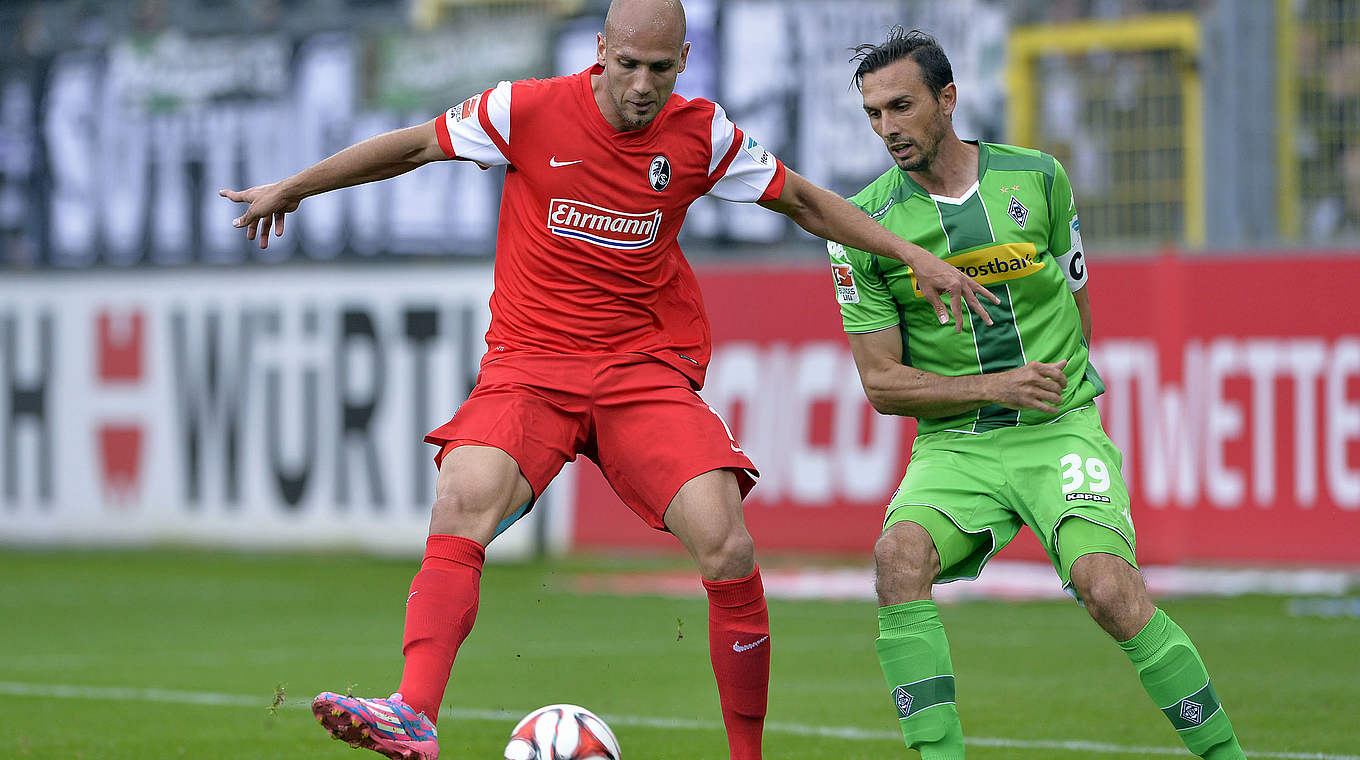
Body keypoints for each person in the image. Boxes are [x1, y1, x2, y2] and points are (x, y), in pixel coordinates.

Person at [221, 4, 997, 759]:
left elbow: (799, 199)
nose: (640, 85)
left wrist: (912, 254)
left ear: (683, 63)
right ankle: (413, 714)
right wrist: (293, 187)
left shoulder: (703, 135)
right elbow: (413, 149)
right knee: (462, 495)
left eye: (660, 69)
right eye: (627, 64)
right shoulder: (521, 111)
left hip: (642, 374)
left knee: (726, 541)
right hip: (531, 368)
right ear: (600, 50)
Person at [827, 28, 1247, 760]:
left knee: (1110, 592)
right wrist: (996, 383)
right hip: (956, 446)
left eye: (901, 106)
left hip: (1056, 432)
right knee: (898, 559)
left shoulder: (1039, 178)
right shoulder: (862, 231)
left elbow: (1077, 296)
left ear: (947, 98)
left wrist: (1059, 393)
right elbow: (883, 385)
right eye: (872, 113)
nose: (887, 128)